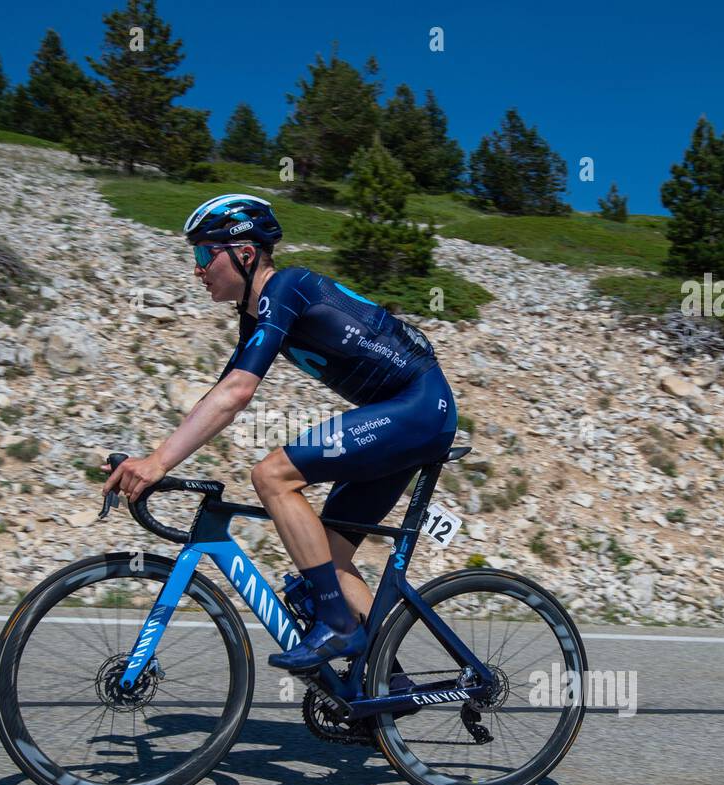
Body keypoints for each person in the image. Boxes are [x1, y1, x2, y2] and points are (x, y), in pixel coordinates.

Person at [102, 194, 458, 671]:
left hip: (419, 407)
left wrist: (158, 463)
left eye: (205, 254)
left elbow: (237, 393)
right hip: (406, 415)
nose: (198, 269)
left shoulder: (286, 288)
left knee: (272, 476)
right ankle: (383, 684)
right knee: (329, 554)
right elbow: (222, 393)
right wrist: (152, 458)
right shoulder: (257, 314)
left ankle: (338, 626)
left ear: (245, 254)